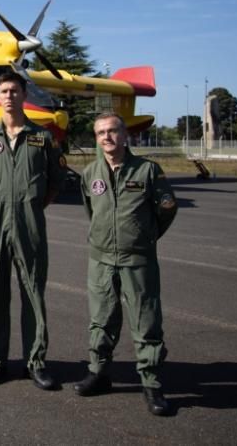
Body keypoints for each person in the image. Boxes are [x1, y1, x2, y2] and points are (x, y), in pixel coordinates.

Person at [75, 113, 178, 416]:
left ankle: (152, 382)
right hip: (101, 259)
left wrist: (145, 237)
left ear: (124, 135)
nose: (106, 137)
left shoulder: (147, 171)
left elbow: (167, 209)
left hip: (137, 260)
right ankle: (99, 372)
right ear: (96, 138)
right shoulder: (90, 173)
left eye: (112, 131)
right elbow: (91, 212)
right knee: (101, 319)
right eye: (100, 133)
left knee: (146, 322)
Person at [0, 71, 63, 390]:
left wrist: (31, 206)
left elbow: (55, 182)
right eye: (4, 91)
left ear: (24, 95)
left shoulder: (43, 137)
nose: (9, 96)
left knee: (33, 293)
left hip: (29, 222)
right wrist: (1, 205)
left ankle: (35, 362)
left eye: (14, 90)